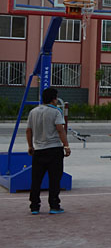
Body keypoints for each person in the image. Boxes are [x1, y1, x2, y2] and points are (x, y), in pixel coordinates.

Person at [26, 87, 70, 215]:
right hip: (54, 149)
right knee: (54, 179)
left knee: (36, 180)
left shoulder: (33, 112)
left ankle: (34, 206)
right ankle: (54, 205)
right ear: (53, 99)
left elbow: (28, 130)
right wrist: (66, 145)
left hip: (39, 150)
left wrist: (30, 146)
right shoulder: (56, 112)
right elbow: (60, 129)